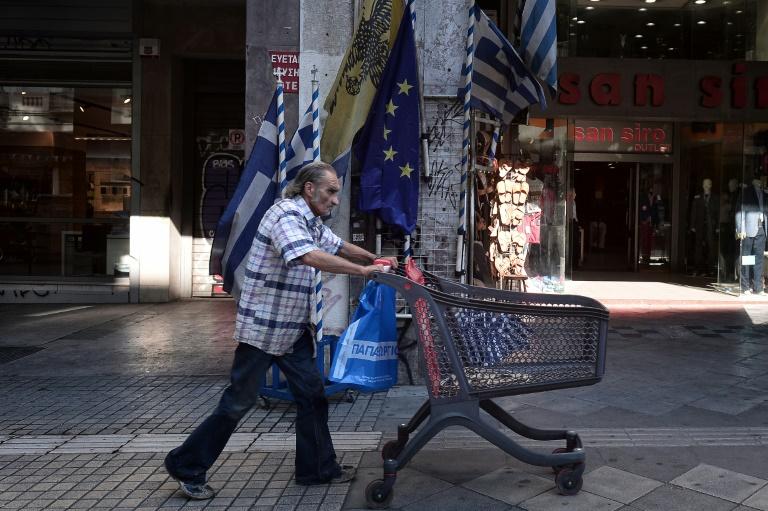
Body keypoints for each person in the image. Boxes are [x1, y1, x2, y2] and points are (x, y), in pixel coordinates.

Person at [164, 161, 397, 499]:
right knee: (237, 403)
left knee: (313, 395)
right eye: (331, 192)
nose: (335, 200)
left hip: (291, 329)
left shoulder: (310, 220)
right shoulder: (285, 215)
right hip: (263, 329)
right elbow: (307, 256)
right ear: (309, 189)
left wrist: (376, 260)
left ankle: (317, 469)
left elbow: (338, 246)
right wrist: (363, 273)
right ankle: (185, 465)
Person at [735, 178, 768, 295]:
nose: (761, 183)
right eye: (759, 181)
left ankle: (758, 287)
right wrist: (740, 229)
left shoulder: (765, 194)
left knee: (758, 259)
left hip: (762, 229)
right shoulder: (746, 192)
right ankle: (745, 286)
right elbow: (740, 211)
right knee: (747, 258)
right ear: (754, 181)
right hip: (748, 229)